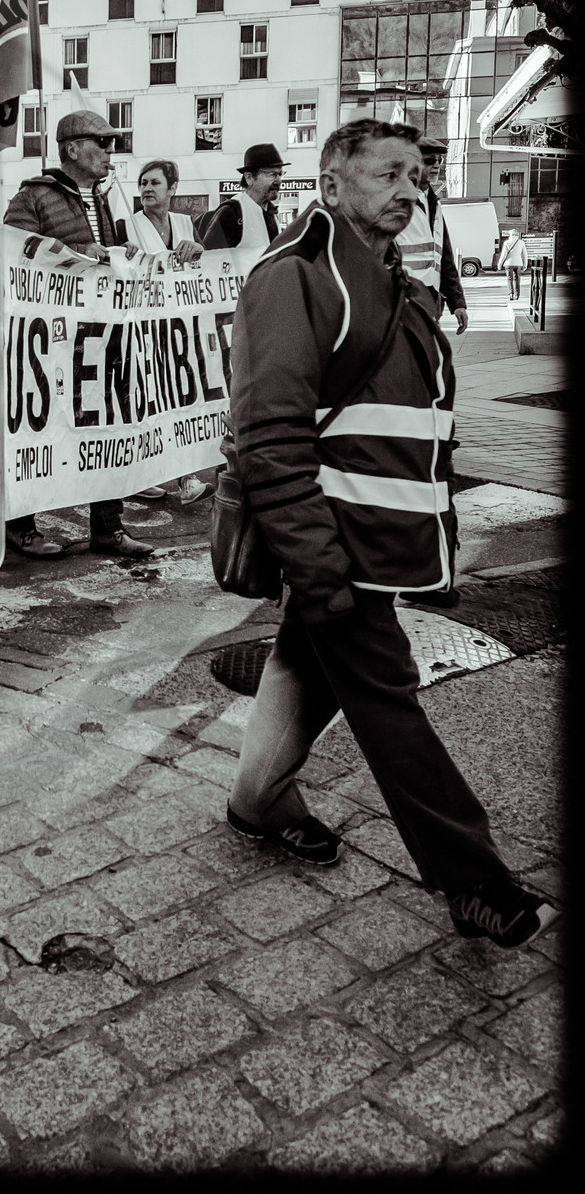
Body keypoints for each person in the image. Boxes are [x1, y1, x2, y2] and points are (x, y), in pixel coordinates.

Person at [225, 116, 558, 949]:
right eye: (389, 174)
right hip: (338, 545)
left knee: (312, 662)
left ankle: (255, 802)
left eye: (418, 176)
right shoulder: (292, 278)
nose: (411, 190)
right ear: (331, 185)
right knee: (384, 692)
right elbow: (270, 439)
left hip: (374, 543)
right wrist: (320, 565)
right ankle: (473, 879)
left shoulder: (395, 280)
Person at [0, 109, 154, 561]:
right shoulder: (32, 197)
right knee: (39, 429)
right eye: (101, 143)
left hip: (100, 336)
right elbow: (16, 255)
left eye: (111, 143)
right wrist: (76, 252)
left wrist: (121, 256)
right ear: (71, 148)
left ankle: (109, 528)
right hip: (53, 344)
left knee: (107, 429)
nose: (110, 151)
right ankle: (21, 527)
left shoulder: (107, 200)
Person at [122, 158, 210, 507]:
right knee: (146, 403)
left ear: (172, 189)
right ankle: (146, 475)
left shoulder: (186, 223)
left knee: (180, 399)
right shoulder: (128, 225)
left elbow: (207, 262)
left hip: (179, 328)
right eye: (143, 183)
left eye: (155, 183)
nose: (146, 188)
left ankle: (185, 476)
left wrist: (199, 249)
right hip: (141, 328)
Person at [397, 136, 468, 334]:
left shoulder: (434, 203)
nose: (437, 165)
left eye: (440, 160)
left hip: (430, 301)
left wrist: (457, 302)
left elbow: (444, 258)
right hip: (401, 302)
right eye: (429, 160)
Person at [201, 142, 286, 262]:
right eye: (272, 174)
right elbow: (208, 261)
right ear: (249, 178)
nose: (278, 181)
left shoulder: (271, 212)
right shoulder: (232, 212)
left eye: (280, 174)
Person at [497, 228, 528, 303]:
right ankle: (517, 295)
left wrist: (499, 264)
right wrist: (525, 264)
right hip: (518, 263)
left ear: (510, 235)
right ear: (517, 235)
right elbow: (524, 254)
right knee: (517, 279)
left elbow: (504, 254)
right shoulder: (521, 242)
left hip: (508, 263)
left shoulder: (507, 242)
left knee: (509, 279)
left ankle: (511, 294)